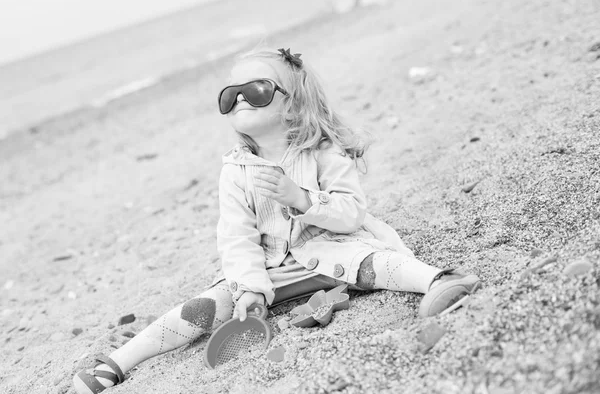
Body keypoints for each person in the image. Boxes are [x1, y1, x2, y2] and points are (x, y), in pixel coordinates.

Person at [72, 47, 481, 393]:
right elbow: (236, 239)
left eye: (257, 89)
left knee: (377, 265)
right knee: (205, 305)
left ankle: (440, 280)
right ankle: (119, 361)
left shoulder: (323, 151)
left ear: (294, 101)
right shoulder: (235, 171)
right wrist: (250, 289)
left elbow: (351, 212)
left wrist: (301, 199)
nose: (242, 100)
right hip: (272, 271)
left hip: (336, 248)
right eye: (231, 95)